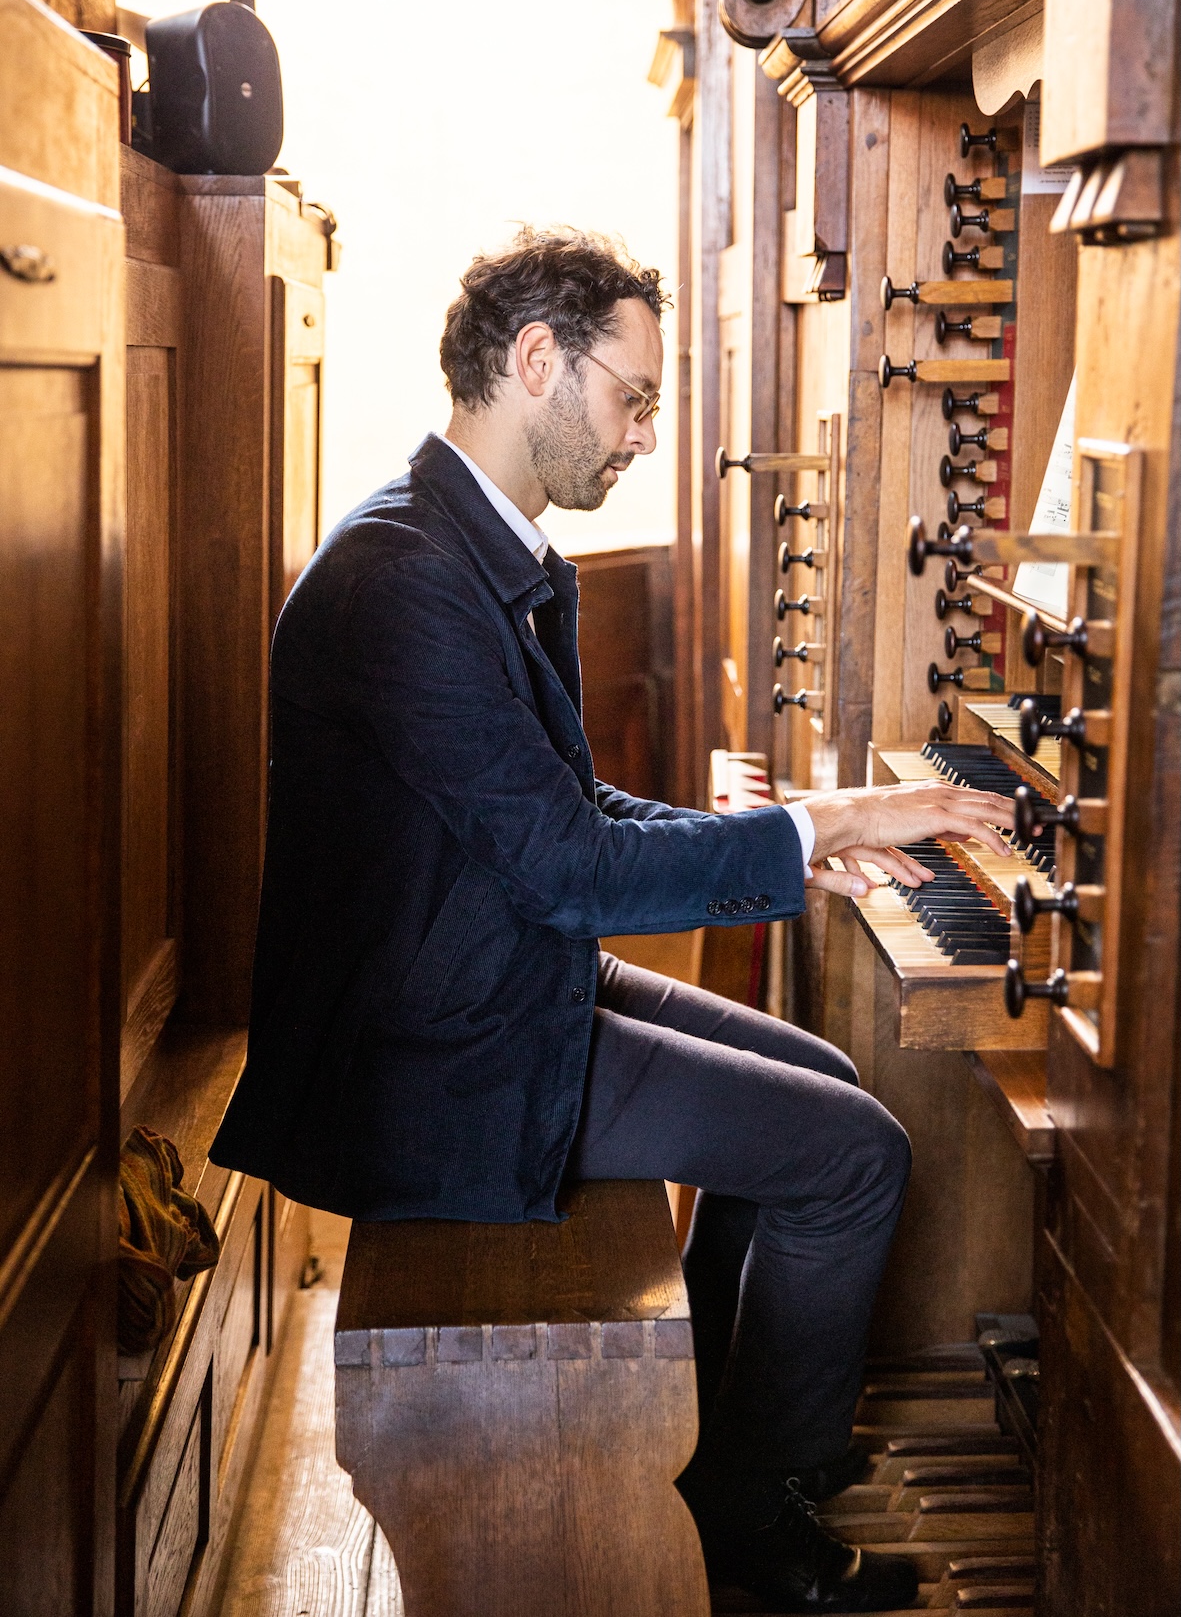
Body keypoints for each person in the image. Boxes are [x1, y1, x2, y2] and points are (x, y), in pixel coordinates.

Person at [211, 227, 1017, 1613]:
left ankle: (710, 1462)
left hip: (477, 988)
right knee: (853, 1155)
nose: (644, 438)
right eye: (633, 399)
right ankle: (756, 1514)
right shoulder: (405, 580)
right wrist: (804, 833)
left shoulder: (455, 540)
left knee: (817, 1084)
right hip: (429, 1063)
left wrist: (786, 838)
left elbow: (562, 811)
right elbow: (571, 869)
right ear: (537, 364)